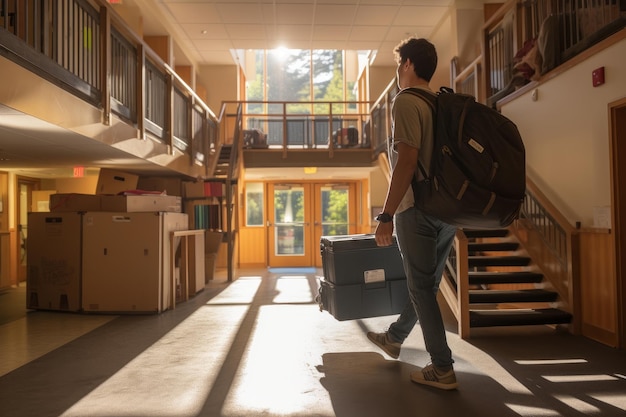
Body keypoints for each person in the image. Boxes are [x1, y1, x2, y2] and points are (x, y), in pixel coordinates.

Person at [367, 37, 458, 390]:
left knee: (421, 287)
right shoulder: (442, 103)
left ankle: (442, 368)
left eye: (398, 64)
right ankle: (394, 337)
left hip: (416, 209)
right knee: (428, 285)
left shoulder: (406, 101)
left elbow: (407, 161)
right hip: (447, 209)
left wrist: (386, 215)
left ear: (407, 65)